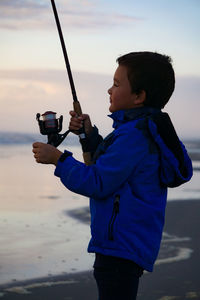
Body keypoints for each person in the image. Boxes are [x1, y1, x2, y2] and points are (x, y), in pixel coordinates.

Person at [32, 52, 193, 300]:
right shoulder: (135, 130)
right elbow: (107, 167)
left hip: (120, 247)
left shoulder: (133, 136)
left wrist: (58, 159)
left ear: (139, 96)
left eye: (117, 84)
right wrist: (89, 136)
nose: (109, 89)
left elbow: (97, 183)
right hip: (127, 244)